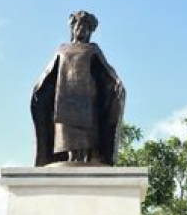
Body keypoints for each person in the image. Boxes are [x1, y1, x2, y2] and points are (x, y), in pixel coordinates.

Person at [31, 10, 125, 166]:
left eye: (86, 27)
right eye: (79, 26)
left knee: (86, 132)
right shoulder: (62, 49)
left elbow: (107, 70)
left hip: (86, 99)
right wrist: (38, 86)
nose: (82, 29)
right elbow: (49, 72)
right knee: (66, 131)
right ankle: (70, 158)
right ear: (72, 28)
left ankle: (86, 157)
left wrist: (117, 81)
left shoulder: (93, 49)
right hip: (65, 99)